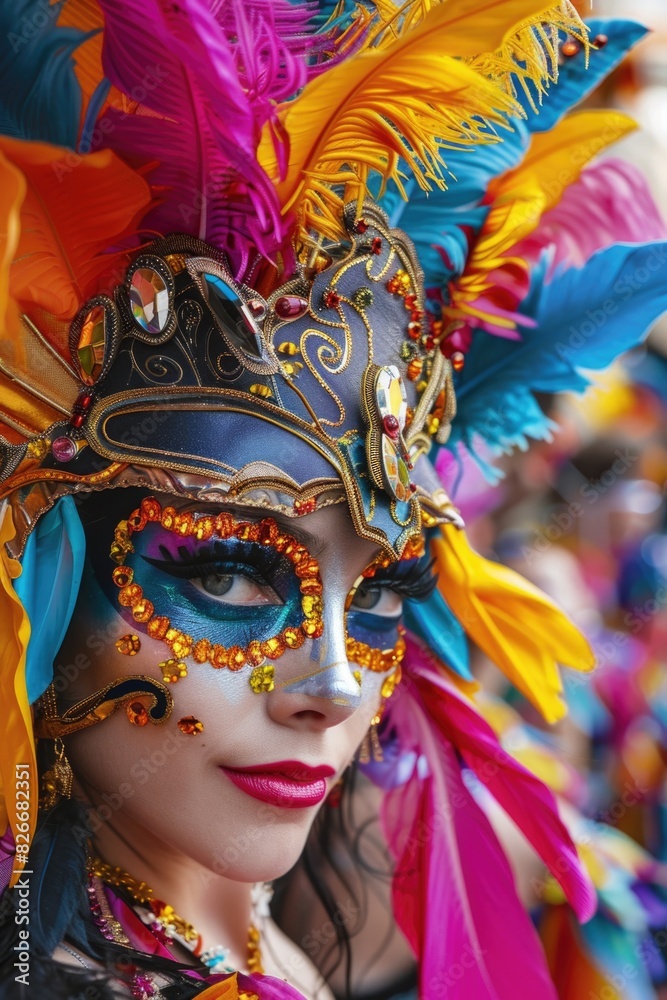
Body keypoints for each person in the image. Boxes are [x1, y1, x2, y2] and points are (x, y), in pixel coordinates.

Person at [1, 2, 667, 999]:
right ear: (37, 564)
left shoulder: (275, 944)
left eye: (383, 592)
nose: (336, 686)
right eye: (228, 570)